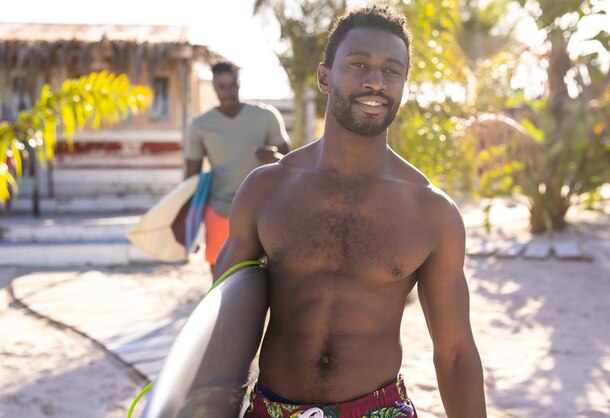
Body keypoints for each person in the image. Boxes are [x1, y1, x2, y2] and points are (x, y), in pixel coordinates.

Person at [215, 5, 486, 418]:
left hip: (379, 410)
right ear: (326, 77)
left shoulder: (431, 211)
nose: (375, 81)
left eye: (392, 71)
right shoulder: (267, 189)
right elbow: (221, 327)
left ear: (403, 85)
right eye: (358, 65)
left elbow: (455, 354)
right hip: (272, 410)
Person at [184, 62, 291, 273]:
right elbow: (190, 177)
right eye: (221, 86)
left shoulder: (266, 116)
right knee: (219, 278)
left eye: (232, 85)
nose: (228, 91)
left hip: (260, 213)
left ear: (239, 84)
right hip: (219, 210)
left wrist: (273, 156)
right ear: (213, 87)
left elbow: (289, 161)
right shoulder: (200, 125)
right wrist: (186, 224)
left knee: (259, 275)